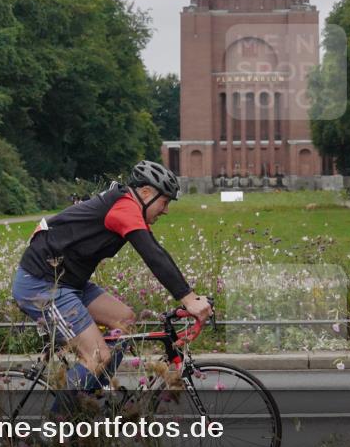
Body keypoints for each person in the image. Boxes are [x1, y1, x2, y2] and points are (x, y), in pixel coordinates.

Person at [12, 160, 213, 393]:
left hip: (69, 282)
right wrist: (188, 299)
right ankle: (59, 424)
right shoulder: (123, 207)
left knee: (124, 320)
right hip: (41, 284)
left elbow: (157, 251)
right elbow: (152, 255)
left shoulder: (128, 206)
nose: (166, 209)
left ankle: (91, 396)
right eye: (164, 201)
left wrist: (191, 296)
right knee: (97, 356)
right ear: (146, 192)